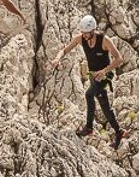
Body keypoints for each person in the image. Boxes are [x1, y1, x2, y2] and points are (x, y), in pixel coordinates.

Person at [50, 15, 127, 147]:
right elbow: (65, 49)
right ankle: (119, 132)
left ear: (93, 30)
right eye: (83, 34)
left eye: (87, 34)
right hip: (93, 75)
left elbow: (119, 59)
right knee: (104, 106)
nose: (85, 36)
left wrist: (104, 71)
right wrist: (57, 58)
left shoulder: (104, 40)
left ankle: (89, 127)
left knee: (89, 94)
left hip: (105, 75)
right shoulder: (81, 38)